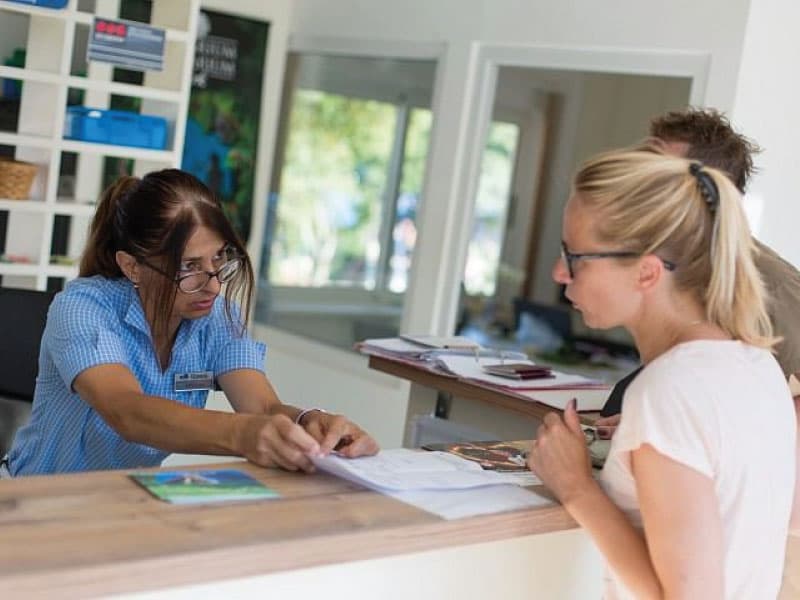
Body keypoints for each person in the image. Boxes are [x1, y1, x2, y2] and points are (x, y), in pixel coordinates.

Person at [528, 148, 796, 598]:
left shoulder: (669, 389)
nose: (559, 273)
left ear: (648, 273)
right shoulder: (756, 364)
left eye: (575, 256)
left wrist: (576, 487)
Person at [5, 169, 378, 476]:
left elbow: (262, 409)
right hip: (32, 501)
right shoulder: (83, 308)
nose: (213, 284)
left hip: (122, 505)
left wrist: (310, 424)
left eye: (219, 260)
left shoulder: (212, 317)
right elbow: (126, 410)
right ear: (131, 266)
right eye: (189, 266)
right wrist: (241, 434)